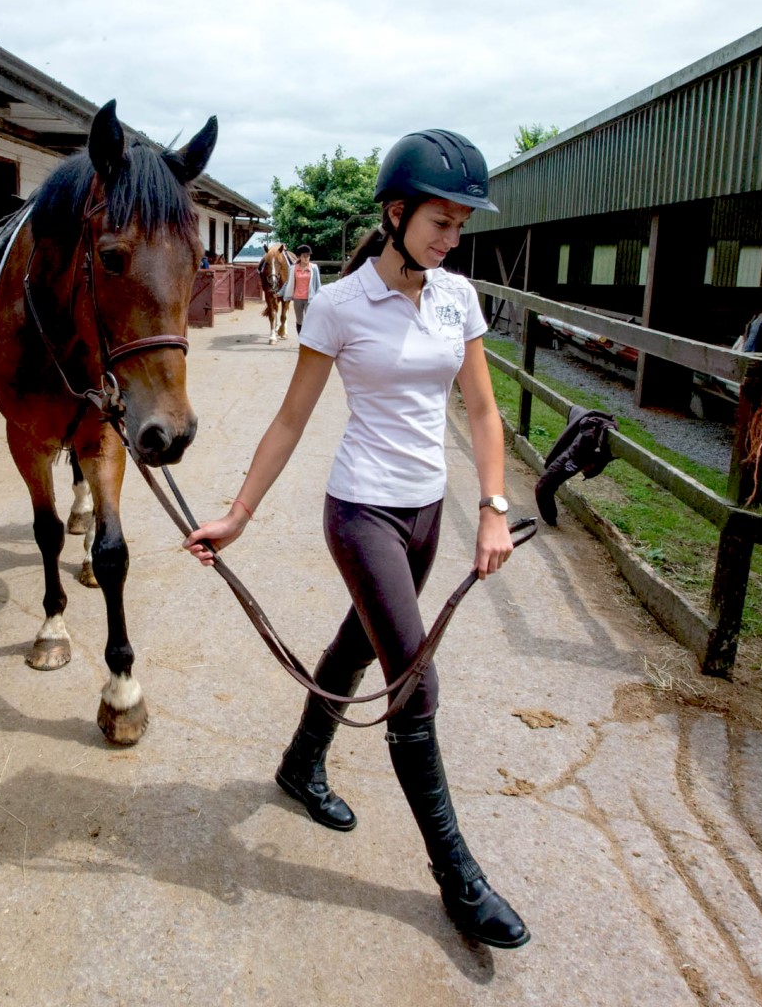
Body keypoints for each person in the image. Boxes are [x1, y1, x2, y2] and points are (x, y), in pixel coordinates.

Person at [185, 129, 528, 949]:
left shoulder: (458, 298)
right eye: (440, 222)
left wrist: (491, 505)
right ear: (397, 212)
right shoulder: (338, 306)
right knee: (417, 681)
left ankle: (301, 764)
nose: (451, 238)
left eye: (460, 226)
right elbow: (293, 418)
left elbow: (482, 412)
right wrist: (239, 513)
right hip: (361, 512)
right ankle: (459, 878)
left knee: (356, 647)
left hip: (427, 513)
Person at [280, 244, 322, 333]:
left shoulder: (314, 268)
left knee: (310, 320)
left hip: (310, 298)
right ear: (299, 257)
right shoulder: (293, 268)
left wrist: (320, 296)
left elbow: (318, 284)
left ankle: (309, 340)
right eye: (304, 256)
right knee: (299, 320)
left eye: (308, 256)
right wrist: (280, 292)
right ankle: (301, 339)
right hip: (297, 298)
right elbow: (288, 282)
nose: (306, 258)